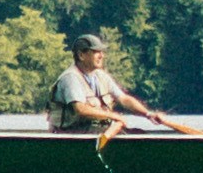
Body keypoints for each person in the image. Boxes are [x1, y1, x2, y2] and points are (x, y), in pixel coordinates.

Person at [50, 29, 182, 139]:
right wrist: (113, 116)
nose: (101, 56)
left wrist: (148, 114)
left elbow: (123, 99)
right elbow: (81, 109)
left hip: (97, 133)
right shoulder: (70, 78)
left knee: (139, 135)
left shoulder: (100, 75)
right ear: (81, 55)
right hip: (72, 135)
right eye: (96, 52)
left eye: (102, 52)